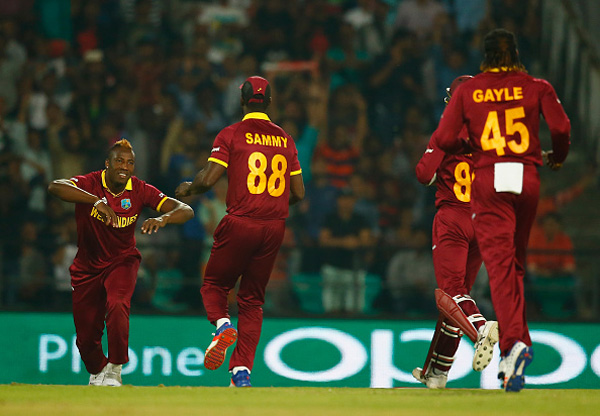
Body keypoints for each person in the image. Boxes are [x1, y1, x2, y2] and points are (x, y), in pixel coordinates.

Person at [435, 28, 571, 392]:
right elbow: (561, 128)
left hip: (490, 177)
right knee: (516, 265)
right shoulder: (537, 85)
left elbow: (445, 140)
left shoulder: (468, 90)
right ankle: (516, 347)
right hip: (526, 177)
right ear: (515, 53)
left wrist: (472, 147)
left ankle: (513, 347)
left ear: (486, 56)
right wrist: (556, 158)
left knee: (500, 270)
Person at [175, 76, 305, 387]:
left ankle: (221, 327)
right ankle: (241, 372)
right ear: (270, 103)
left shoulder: (231, 134)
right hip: (274, 228)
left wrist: (189, 188)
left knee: (214, 286)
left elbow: (208, 180)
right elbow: (299, 193)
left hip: (241, 221)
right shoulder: (286, 139)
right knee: (252, 301)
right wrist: (270, 203)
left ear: (242, 101)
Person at [47, 138, 194, 386]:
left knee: (117, 303)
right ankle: (98, 370)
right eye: (119, 161)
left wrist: (164, 219)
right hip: (87, 266)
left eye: (130, 162)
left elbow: (185, 209)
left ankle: (115, 367)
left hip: (122, 261)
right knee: (85, 338)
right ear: (107, 164)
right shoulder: (90, 183)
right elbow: (54, 187)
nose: (124, 166)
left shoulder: (138, 189)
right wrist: (95, 201)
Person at [412, 75, 499, 389]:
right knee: (459, 296)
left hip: (453, 217)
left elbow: (423, 174)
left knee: (449, 292)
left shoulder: (446, 132)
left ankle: (480, 330)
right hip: (484, 220)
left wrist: (440, 172)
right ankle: (437, 371)